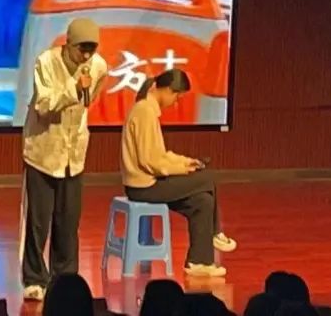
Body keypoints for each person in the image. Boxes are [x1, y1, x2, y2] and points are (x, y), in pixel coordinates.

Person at [20, 18, 108, 301]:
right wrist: (74, 88)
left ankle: (65, 280)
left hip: (74, 154)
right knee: (38, 222)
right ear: (68, 44)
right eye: (82, 48)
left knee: (68, 222)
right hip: (43, 151)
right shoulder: (46, 62)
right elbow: (43, 105)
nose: (87, 55)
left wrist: (84, 93)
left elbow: (91, 97)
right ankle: (35, 278)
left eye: (91, 49)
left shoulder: (98, 66)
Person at [120, 69, 236, 278]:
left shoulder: (148, 110)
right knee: (207, 179)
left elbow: (160, 155)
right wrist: (183, 170)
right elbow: (150, 161)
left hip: (150, 181)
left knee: (203, 201)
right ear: (166, 90)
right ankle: (216, 233)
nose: (175, 102)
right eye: (176, 96)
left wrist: (185, 162)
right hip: (143, 186)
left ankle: (199, 262)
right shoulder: (144, 112)